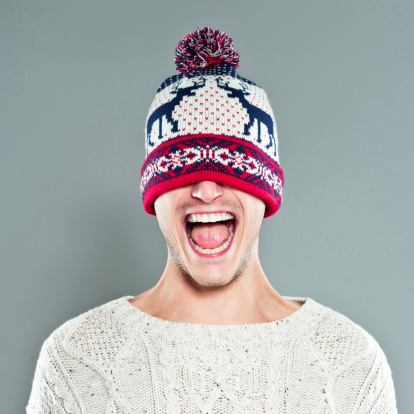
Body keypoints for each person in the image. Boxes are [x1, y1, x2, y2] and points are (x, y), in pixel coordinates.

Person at [26, 27, 398, 413]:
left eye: (230, 168)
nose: (206, 190)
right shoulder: (77, 362)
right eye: (182, 169)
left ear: (265, 190)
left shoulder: (348, 364)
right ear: (154, 194)